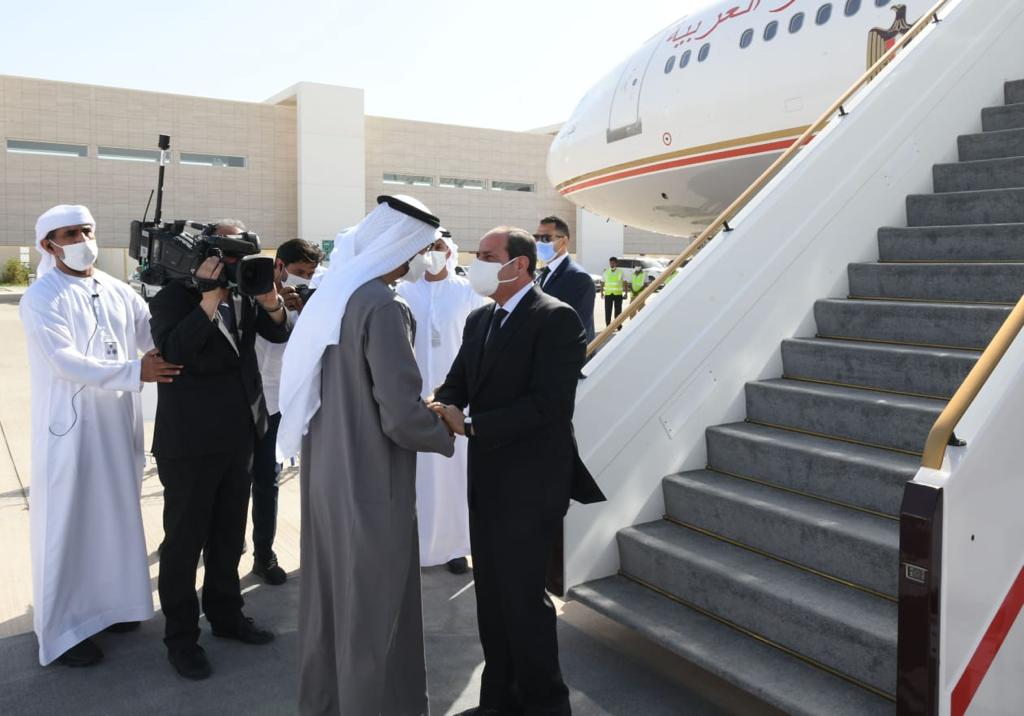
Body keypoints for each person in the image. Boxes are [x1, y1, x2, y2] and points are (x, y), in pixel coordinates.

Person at [277, 195, 456, 716]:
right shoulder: (383, 305)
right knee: (376, 608)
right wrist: (445, 426)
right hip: (372, 476)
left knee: (331, 600)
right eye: (421, 248)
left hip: (326, 471)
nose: (424, 258)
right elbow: (399, 413)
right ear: (401, 247)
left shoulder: (336, 295)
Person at [431, 227, 606, 716]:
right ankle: (500, 699)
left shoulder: (556, 318)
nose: (478, 263)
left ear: (519, 265)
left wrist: (470, 425)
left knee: (523, 601)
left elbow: (549, 406)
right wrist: (439, 403)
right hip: (487, 479)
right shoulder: (481, 318)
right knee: (491, 599)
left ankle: (546, 705)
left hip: (532, 484)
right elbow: (459, 380)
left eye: (488, 256)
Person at [20, 205, 182, 668]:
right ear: (49, 245)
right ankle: (62, 631)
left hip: (114, 425)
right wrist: (135, 371)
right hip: (69, 431)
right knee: (69, 526)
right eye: (70, 233)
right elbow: (64, 361)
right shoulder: (41, 296)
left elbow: (153, 338)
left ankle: (113, 608)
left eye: (86, 230)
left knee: (114, 519)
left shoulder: (118, 291)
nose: (82, 240)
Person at [149, 218, 289, 680]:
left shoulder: (246, 293)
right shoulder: (173, 297)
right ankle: (181, 639)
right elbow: (174, 350)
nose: (232, 263)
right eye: (225, 254)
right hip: (189, 441)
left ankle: (227, 616)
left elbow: (279, 333)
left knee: (229, 535)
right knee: (185, 542)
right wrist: (208, 299)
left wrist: (270, 302)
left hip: (239, 434)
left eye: (240, 255)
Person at [396, 228, 488, 575]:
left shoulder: (468, 293)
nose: (431, 252)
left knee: (454, 475)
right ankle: (414, 545)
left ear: (449, 251)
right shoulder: (403, 292)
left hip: (456, 402)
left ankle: (455, 546)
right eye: (426, 247)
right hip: (412, 399)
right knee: (415, 475)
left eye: (437, 246)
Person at [251, 238, 324, 586]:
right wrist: (271, 304)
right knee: (230, 482)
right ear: (279, 265)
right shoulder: (252, 287)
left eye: (310, 274)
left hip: (279, 403)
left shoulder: (311, 300)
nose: (304, 279)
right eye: (299, 272)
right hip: (242, 400)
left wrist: (304, 311)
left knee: (268, 482)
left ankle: (263, 553)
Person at [534, 216, 596, 342]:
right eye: (536, 238)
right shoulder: (543, 274)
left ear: (564, 241)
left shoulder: (579, 278)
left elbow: (577, 329)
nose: (539, 243)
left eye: (546, 238)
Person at [602, 257, 625, 327]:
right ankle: (608, 325)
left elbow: (625, 282)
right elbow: (602, 282)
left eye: (613, 263)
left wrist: (626, 293)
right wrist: (601, 292)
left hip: (618, 294)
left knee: (618, 310)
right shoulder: (606, 271)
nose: (611, 264)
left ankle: (618, 325)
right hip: (608, 294)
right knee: (608, 310)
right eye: (610, 263)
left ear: (616, 263)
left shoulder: (621, 272)